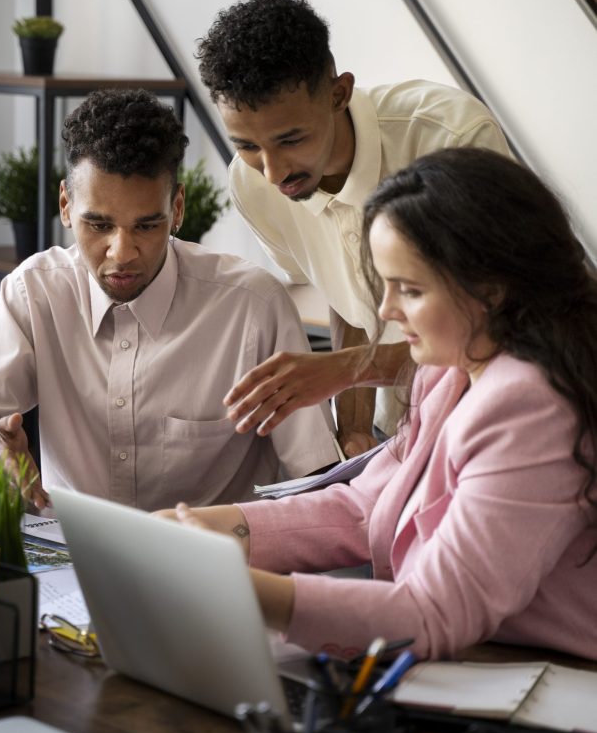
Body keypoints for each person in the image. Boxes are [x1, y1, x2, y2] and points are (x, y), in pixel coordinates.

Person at [159, 148, 597, 662]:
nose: (387, 310)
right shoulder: (451, 366)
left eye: (409, 290)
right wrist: (220, 528)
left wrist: (232, 587)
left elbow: (435, 611)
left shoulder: (529, 403)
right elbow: (369, 506)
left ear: (492, 290)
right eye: (385, 286)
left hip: (551, 681)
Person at [0, 89, 338, 512]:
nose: (121, 253)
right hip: (74, 559)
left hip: (217, 562)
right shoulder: (34, 292)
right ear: (66, 206)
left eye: (146, 226)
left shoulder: (254, 307)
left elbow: (315, 479)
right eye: (99, 224)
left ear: (177, 208)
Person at [196, 0, 511, 455]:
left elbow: (503, 325)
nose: (274, 170)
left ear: (339, 94)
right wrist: (353, 429)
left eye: (291, 139)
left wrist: (347, 368)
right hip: (401, 427)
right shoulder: (252, 182)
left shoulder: (450, 138)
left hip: (505, 416)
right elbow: (346, 295)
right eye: (246, 145)